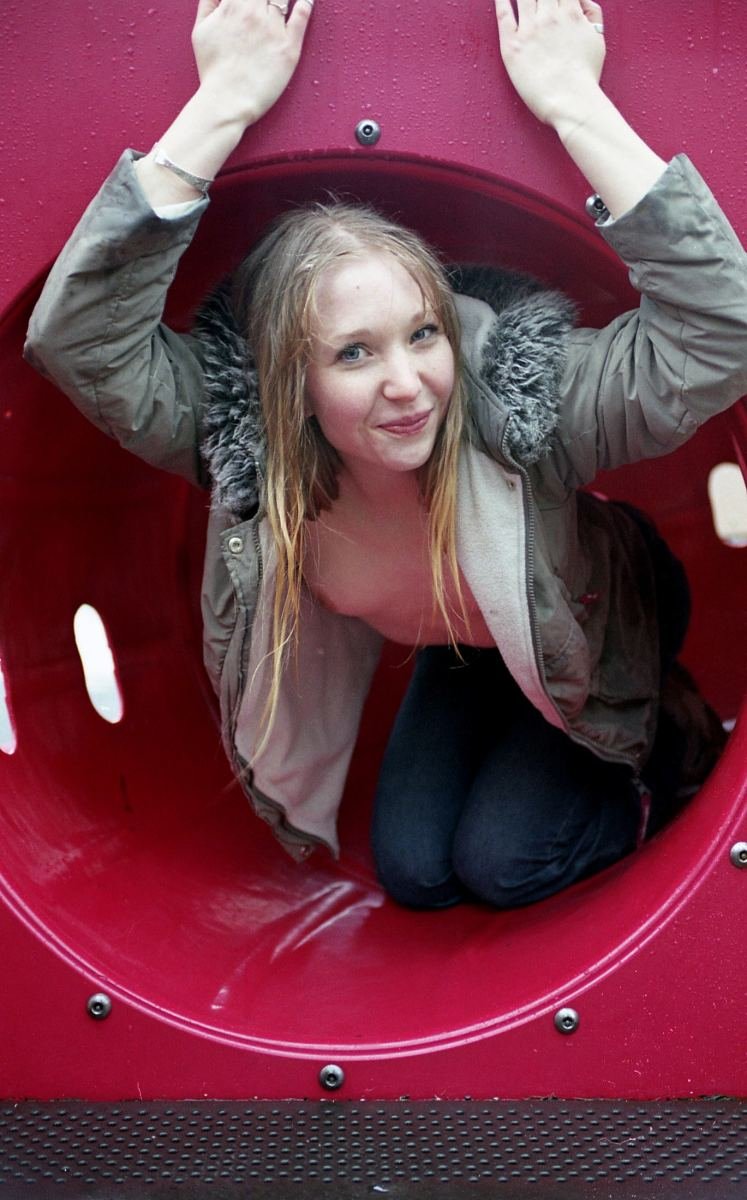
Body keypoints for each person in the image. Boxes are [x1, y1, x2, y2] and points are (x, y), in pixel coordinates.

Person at [24, 0, 747, 908]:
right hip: (468, 640)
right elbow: (81, 343)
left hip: (588, 610)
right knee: (416, 874)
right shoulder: (247, 438)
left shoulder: (515, 401)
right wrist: (221, 104)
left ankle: (670, 742)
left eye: (421, 333)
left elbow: (717, 335)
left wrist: (573, 102)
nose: (407, 384)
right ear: (291, 383)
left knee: (503, 864)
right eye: (354, 354)